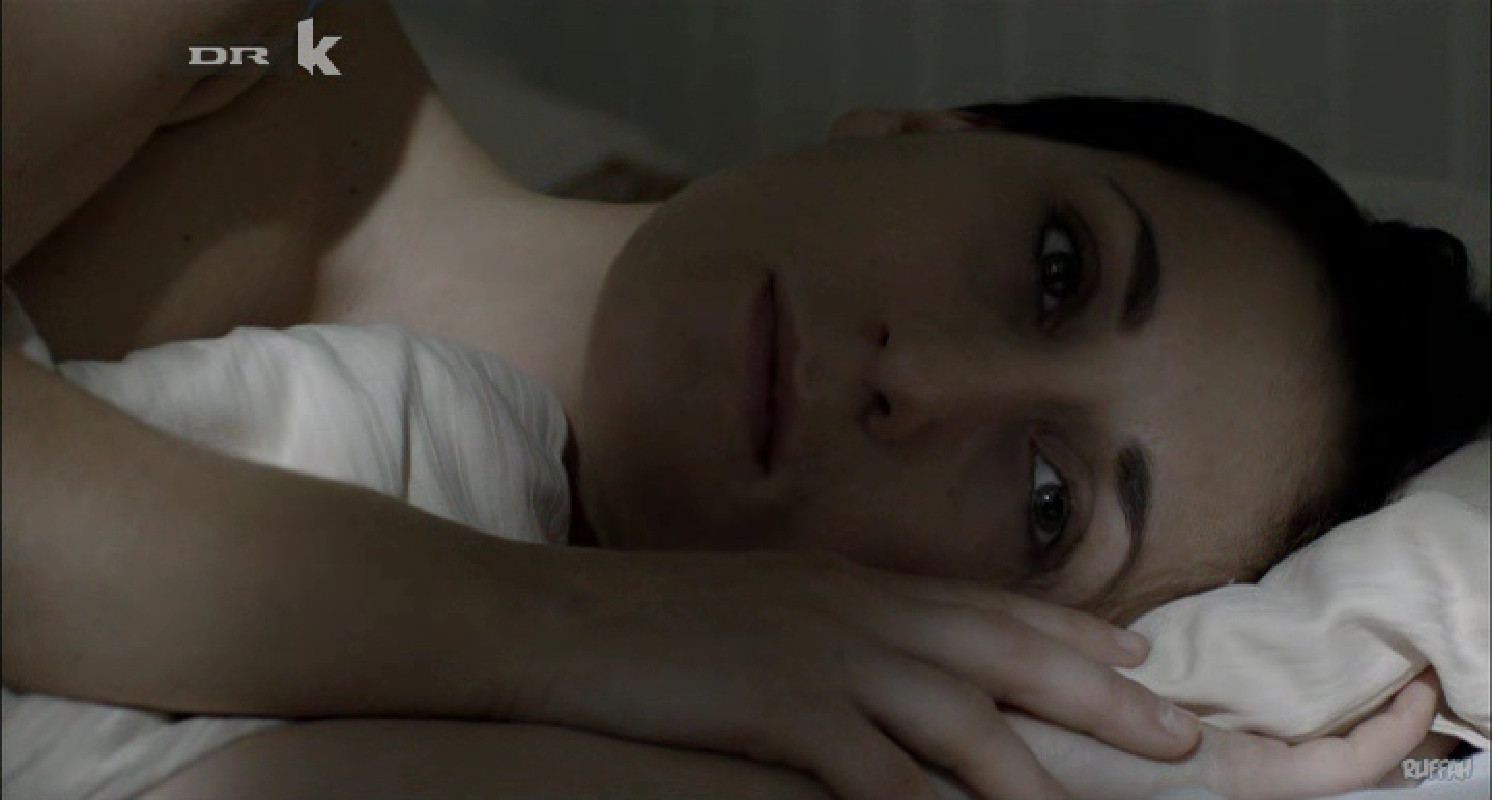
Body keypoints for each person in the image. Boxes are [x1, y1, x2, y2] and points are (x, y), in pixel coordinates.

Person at [2, 1, 1484, 798]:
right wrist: (573, 630)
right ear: (920, 132)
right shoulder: (256, 31)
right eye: (1055, 267)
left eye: (1048, 504)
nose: (922, 383)